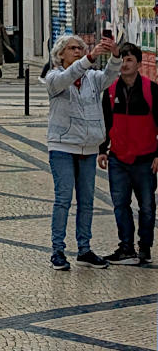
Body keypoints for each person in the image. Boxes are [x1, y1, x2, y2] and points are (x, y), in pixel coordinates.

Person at [44, 32, 121, 270]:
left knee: (86, 201)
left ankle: (84, 249)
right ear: (60, 54)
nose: (78, 51)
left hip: (87, 147)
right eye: (72, 48)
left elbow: (110, 76)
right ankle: (57, 250)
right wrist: (88, 57)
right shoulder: (54, 77)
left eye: (81, 47)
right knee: (63, 199)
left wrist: (114, 56)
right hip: (62, 146)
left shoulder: (92, 78)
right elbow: (69, 75)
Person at [99, 41, 158, 265]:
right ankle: (126, 247)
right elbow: (105, 122)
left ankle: (145, 247)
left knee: (147, 207)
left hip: (145, 159)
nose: (124, 63)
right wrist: (102, 150)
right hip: (118, 159)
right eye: (121, 59)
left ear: (139, 64)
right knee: (120, 204)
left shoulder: (152, 90)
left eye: (129, 59)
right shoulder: (110, 90)